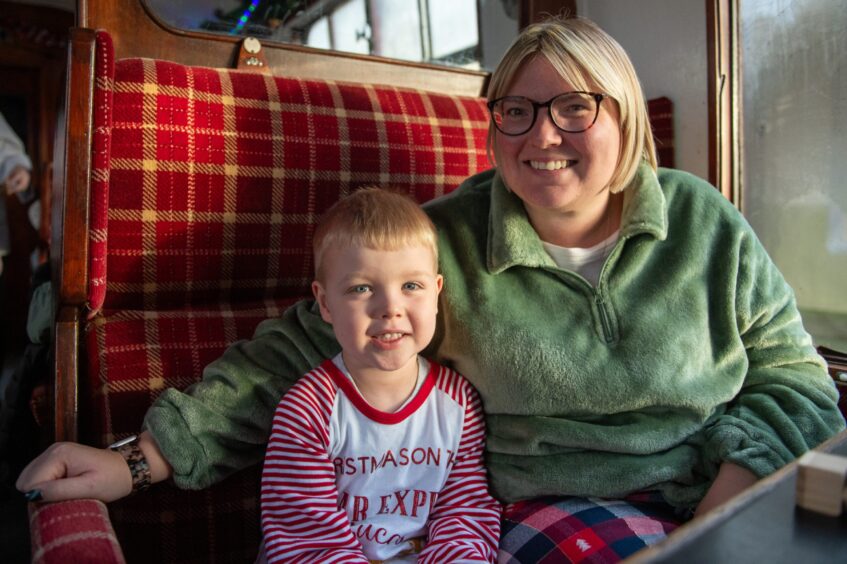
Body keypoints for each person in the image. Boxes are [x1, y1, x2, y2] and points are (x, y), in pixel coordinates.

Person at [17, 15, 845, 562]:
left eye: (572, 106)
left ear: (623, 116)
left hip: (730, 491)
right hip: (556, 506)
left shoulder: (703, 220)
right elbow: (302, 350)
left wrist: (722, 513)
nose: (540, 134)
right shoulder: (441, 241)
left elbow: (795, 377)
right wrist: (143, 458)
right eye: (513, 112)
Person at [257, 188, 500, 562]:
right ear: (325, 303)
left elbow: (463, 512)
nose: (390, 308)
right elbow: (307, 539)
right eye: (361, 288)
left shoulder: (458, 402)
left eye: (411, 286)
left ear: (436, 293)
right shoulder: (307, 411)